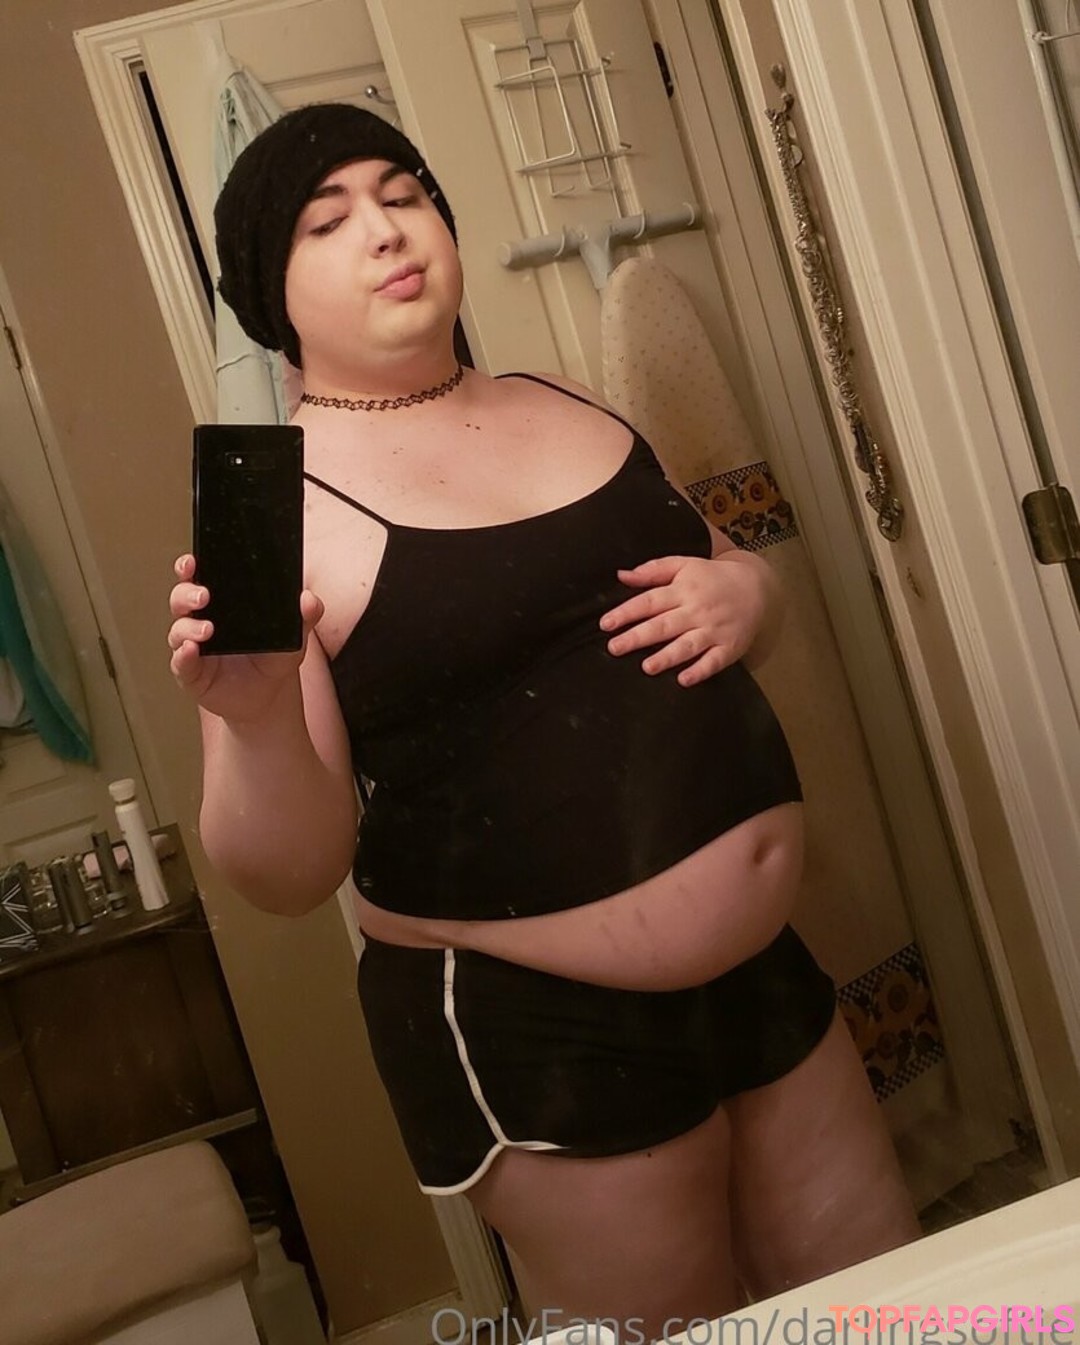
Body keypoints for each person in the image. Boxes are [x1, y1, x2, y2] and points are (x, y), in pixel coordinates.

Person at [169, 103, 919, 1334]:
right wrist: (254, 724)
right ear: (271, 292)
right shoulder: (277, 513)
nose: (386, 232)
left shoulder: (565, 399)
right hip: (537, 1024)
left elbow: (730, 580)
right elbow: (290, 873)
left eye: (403, 194)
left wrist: (749, 593)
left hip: (759, 969)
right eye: (327, 221)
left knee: (885, 1307)